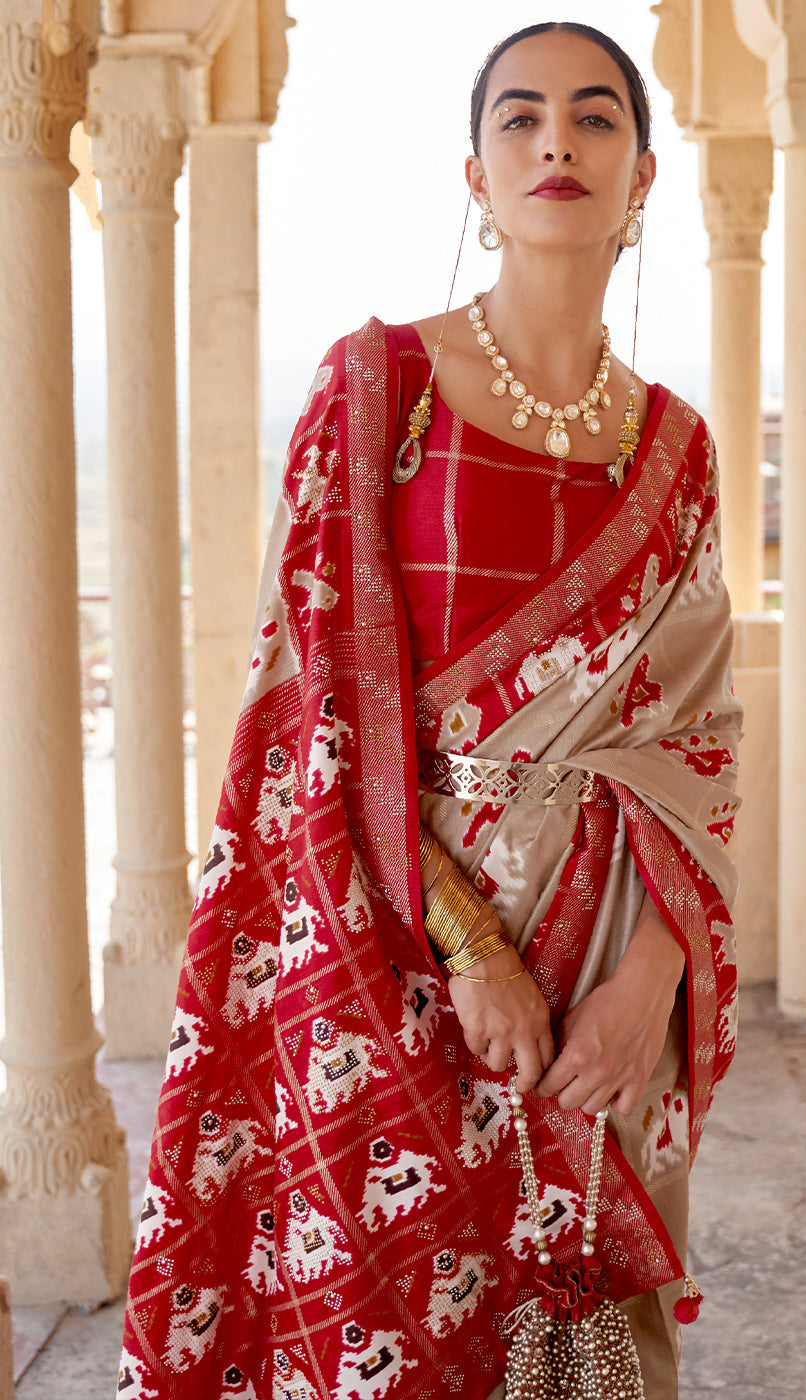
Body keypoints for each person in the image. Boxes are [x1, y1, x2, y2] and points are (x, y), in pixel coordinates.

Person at [118, 22, 741, 1400]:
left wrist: (650, 987)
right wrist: (470, 950)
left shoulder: (679, 449)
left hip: (608, 973)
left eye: (594, 118)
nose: (556, 142)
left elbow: (699, 743)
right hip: (397, 959)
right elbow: (311, 715)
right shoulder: (379, 386)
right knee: (404, 1338)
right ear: (476, 174)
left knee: (582, 1349)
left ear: (642, 175)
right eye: (520, 120)